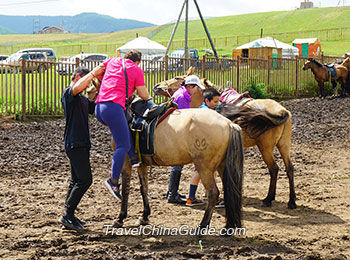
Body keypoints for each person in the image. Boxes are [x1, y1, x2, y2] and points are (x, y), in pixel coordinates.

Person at [93, 50, 152, 201]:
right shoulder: (136, 69)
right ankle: (112, 181)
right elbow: (143, 94)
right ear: (138, 61)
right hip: (114, 107)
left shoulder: (112, 61)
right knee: (122, 146)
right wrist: (149, 97)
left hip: (100, 107)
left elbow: (99, 72)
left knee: (126, 126)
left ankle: (133, 158)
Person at [60, 65, 105, 231]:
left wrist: (102, 86)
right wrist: (94, 72)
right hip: (74, 143)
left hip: (82, 144)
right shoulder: (68, 93)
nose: (88, 85)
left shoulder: (83, 100)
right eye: (87, 80)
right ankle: (67, 214)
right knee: (85, 180)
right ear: (78, 77)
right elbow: (77, 87)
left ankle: (68, 216)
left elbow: (99, 106)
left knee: (75, 181)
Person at [167, 75, 206, 204]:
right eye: (196, 88)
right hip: (177, 133)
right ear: (190, 86)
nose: (196, 91)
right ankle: (172, 195)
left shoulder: (182, 94)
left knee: (177, 164)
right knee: (177, 164)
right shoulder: (183, 97)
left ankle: (172, 192)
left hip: (173, 130)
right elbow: (182, 119)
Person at [185, 88, 224, 207]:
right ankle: (191, 197)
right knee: (200, 173)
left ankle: (207, 194)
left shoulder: (204, 110)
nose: (217, 104)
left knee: (209, 173)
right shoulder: (205, 113)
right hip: (202, 149)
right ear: (207, 101)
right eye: (215, 102)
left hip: (203, 148)